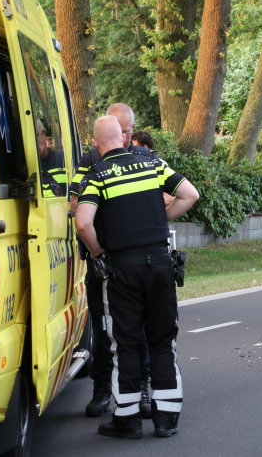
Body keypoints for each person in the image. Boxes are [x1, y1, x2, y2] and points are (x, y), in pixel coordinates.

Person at [76, 116, 198, 439]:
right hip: (160, 265)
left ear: (96, 145)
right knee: (162, 341)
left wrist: (98, 250)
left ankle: (127, 420)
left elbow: (83, 222)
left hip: (122, 270)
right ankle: (167, 419)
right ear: (124, 138)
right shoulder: (153, 164)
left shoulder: (97, 174)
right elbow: (190, 195)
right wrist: (159, 219)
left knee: (126, 343)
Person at [70, 104, 155, 418]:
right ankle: (102, 388)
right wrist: (95, 248)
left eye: (126, 131)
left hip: (136, 259)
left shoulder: (147, 159)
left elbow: (165, 199)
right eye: (116, 131)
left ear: (131, 130)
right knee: (103, 326)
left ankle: (142, 387)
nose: (121, 136)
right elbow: (77, 203)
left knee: (141, 326)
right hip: (103, 260)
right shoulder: (90, 160)